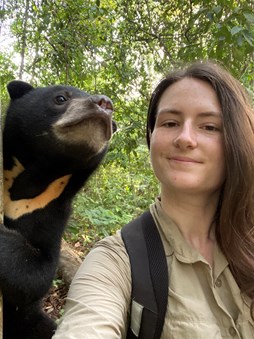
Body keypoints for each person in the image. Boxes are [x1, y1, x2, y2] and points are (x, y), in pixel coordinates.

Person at [52, 60, 254, 338]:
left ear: (237, 140)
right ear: (151, 137)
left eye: (209, 127)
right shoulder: (116, 262)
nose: (185, 138)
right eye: (170, 123)